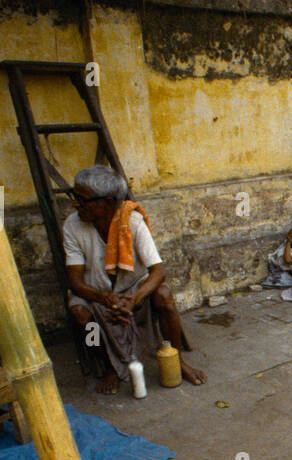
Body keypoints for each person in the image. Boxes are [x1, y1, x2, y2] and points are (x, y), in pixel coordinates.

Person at [64, 164, 206, 393]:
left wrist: (134, 298)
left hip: (132, 290)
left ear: (107, 203)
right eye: (74, 196)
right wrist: (104, 298)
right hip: (96, 293)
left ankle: (176, 360)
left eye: (82, 199)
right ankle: (108, 365)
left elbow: (158, 271)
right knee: (81, 317)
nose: (75, 203)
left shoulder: (133, 222)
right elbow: (75, 282)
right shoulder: (73, 225)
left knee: (164, 296)